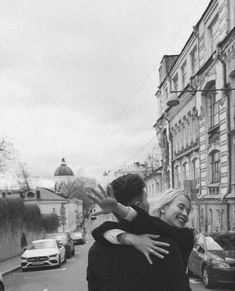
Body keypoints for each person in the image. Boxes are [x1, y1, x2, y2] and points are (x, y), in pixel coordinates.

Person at [87, 174, 194, 291]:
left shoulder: (97, 249)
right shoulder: (164, 247)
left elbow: (94, 286)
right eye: (146, 198)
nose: (185, 214)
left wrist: (124, 236)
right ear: (138, 205)